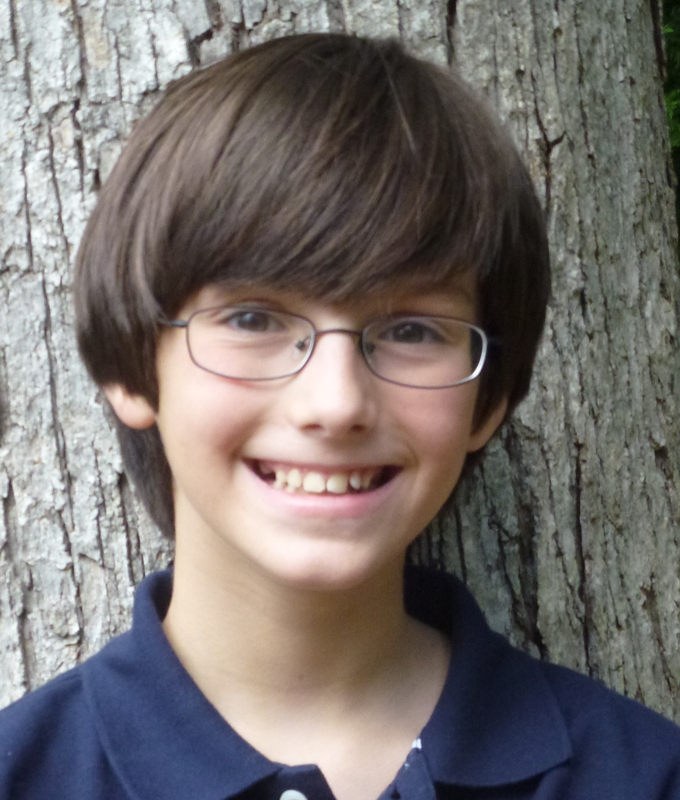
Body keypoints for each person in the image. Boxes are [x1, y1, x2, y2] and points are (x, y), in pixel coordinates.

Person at [1, 32, 678, 800]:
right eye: (253, 319)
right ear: (131, 367)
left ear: (488, 400)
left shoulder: (645, 777)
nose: (336, 403)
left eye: (411, 330)